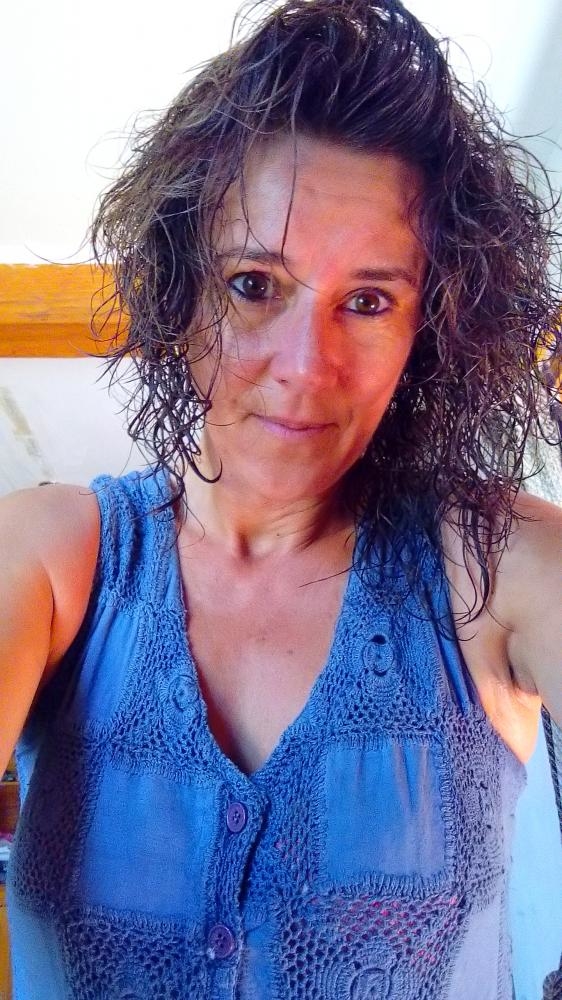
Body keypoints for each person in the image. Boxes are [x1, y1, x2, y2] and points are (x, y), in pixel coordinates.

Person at [1, 0, 561, 996]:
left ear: (426, 330)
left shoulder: (498, 565)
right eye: (254, 284)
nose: (305, 367)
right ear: (181, 292)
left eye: (368, 301)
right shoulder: (52, 554)